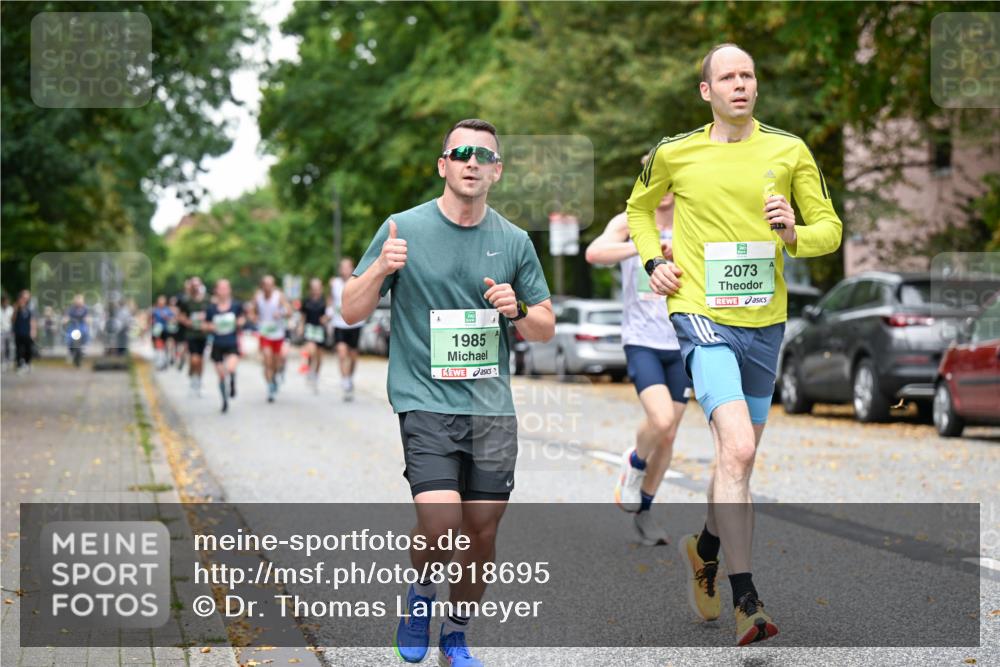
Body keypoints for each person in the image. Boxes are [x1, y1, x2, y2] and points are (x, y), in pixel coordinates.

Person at [626, 44, 843, 645]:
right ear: (708, 92)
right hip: (700, 316)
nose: (741, 84)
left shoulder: (789, 150)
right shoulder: (675, 153)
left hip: (765, 324)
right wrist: (653, 261)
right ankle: (747, 598)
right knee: (740, 447)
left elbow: (831, 230)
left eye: (748, 74)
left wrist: (794, 231)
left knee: (736, 461)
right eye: (728, 76)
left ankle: (705, 546)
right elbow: (638, 210)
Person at [343, 119, 554, 667]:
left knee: (480, 535)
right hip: (425, 402)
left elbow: (545, 326)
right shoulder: (402, 229)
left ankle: (455, 634)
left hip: (490, 411)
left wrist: (519, 309)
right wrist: (380, 271)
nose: (471, 161)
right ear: (443, 164)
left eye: (483, 155)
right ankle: (419, 596)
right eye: (460, 152)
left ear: (497, 171)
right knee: (442, 527)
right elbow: (350, 310)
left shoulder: (513, 241)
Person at [585, 184, 691, 546]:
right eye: (655, 183)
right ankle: (634, 459)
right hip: (642, 340)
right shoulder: (632, 220)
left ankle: (644, 511)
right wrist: (644, 248)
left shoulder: (691, 220)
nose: (663, 191)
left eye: (670, 184)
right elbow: (594, 252)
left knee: (670, 434)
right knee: (660, 420)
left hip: (682, 339)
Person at [249, 275, 291, 403]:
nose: (268, 287)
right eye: (266, 285)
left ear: (273, 285)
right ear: (262, 286)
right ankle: (270, 388)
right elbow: (251, 311)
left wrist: (281, 313)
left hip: (278, 334)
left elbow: (289, 311)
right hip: (265, 333)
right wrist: (254, 318)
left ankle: (275, 377)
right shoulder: (258, 296)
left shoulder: (279, 296)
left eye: (270, 284)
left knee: (276, 362)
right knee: (267, 359)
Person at [205, 279, 244, 413]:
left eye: (226, 288)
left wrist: (240, 322)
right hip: (217, 344)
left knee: (230, 368)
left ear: (229, 290)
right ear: (216, 291)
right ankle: (224, 400)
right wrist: (210, 326)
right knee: (221, 375)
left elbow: (243, 319)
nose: (223, 291)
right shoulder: (211, 309)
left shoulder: (236, 306)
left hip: (232, 343)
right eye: (221, 288)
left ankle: (232, 380)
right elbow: (205, 324)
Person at [329, 258, 365, 400]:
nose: (344, 270)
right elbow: (331, 299)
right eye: (342, 267)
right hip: (339, 323)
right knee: (342, 352)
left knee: (353, 356)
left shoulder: (357, 281)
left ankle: (350, 377)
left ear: (352, 268)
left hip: (355, 323)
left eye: (347, 267)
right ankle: (344, 380)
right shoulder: (334, 283)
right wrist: (329, 311)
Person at [178, 277, 210, 396]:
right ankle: (193, 379)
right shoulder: (186, 301)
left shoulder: (207, 299)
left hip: (203, 334)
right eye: (193, 285)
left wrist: (205, 318)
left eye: (198, 285)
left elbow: (212, 313)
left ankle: (199, 382)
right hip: (191, 334)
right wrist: (187, 322)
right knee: (194, 359)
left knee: (201, 360)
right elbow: (180, 315)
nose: (196, 287)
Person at [298, 278, 329, 393]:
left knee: (319, 357)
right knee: (311, 351)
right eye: (313, 288)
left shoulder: (324, 300)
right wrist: (301, 327)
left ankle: (315, 375)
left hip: (320, 329)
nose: (316, 290)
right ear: (311, 289)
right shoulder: (306, 300)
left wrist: (326, 318)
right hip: (310, 328)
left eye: (318, 288)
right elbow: (303, 315)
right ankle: (310, 371)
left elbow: (330, 313)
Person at [12, 290, 36, 374]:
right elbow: (13, 320)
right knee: (18, 349)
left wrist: (33, 331)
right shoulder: (16, 307)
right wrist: (17, 309)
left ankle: (27, 363)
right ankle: (19, 366)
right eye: (24, 297)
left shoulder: (29, 308)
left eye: (27, 297)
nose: (25, 299)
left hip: (27, 332)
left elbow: (32, 320)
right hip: (18, 332)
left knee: (28, 349)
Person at [151, 295, 173, 370]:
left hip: (165, 330)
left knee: (165, 345)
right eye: (160, 301)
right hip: (157, 329)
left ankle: (164, 360)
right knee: (158, 345)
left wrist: (166, 317)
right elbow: (151, 319)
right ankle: (159, 361)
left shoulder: (167, 310)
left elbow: (172, 319)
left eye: (162, 301)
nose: (161, 302)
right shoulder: (155, 310)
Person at [1, 294, 12, 371]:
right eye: (4, 301)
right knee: (2, 348)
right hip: (1, 331)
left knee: (8, 347)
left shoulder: (11, 309)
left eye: (7, 301)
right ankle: (3, 362)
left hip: (9, 330)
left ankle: (8, 361)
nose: (6, 302)